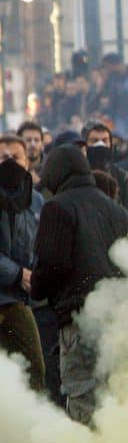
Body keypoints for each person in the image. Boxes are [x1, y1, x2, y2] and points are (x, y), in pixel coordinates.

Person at [31, 146, 128, 425]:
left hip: (78, 320)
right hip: (116, 323)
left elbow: (52, 265)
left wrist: (37, 289)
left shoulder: (57, 207)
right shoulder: (116, 210)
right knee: (113, 401)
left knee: (83, 401)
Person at [0, 135, 46, 393]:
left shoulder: (36, 201)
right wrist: (17, 273)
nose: (9, 163)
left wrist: (35, 273)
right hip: (7, 290)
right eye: (3, 158)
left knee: (34, 371)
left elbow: (41, 244)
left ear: (27, 162)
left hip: (20, 299)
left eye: (15, 157)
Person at [83, 120, 128, 217]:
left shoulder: (121, 176)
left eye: (104, 141)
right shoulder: (77, 174)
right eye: (94, 141)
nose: (100, 144)